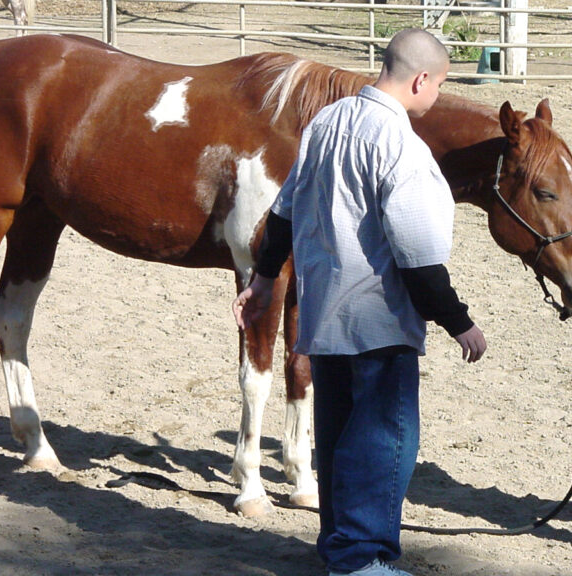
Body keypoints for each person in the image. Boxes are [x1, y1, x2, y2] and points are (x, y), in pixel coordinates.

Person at [233, 28, 486, 576]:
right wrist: (457, 321)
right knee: (382, 440)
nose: (437, 95)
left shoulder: (326, 122)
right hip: (379, 319)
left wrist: (260, 278)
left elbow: (284, 210)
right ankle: (362, 558)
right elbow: (417, 253)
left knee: (339, 434)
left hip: (324, 314)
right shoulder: (402, 146)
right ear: (421, 79)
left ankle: (340, 548)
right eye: (439, 85)